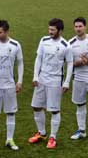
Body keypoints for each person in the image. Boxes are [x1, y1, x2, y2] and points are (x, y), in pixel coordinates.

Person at [29, 18, 74, 149]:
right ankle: (41, 133)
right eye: (49, 29)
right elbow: (39, 58)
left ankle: (53, 137)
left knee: (54, 110)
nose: (50, 32)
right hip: (42, 79)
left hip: (55, 81)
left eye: (53, 30)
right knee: (36, 107)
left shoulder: (66, 46)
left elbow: (70, 63)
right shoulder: (44, 41)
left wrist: (66, 82)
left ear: (60, 30)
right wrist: (35, 76)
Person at [0, 20, 24, 152]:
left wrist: (19, 81)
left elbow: (20, 63)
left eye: (0, 32)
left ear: (7, 32)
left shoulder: (15, 45)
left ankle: (10, 139)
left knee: (11, 112)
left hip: (9, 85)